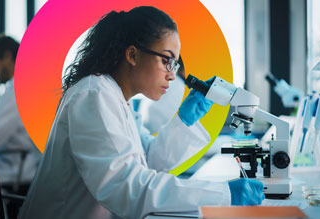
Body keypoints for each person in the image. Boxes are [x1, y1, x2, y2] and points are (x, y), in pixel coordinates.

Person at [18, 7, 264, 219]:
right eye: (167, 60)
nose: (172, 73)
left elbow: (148, 162)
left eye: (175, 64)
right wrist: (222, 193)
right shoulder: (93, 95)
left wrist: (185, 120)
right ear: (133, 55)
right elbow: (125, 187)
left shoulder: (119, 100)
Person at [0, 36, 40, 189]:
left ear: (7, 56)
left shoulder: (16, 91)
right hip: (25, 163)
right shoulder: (28, 83)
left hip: (16, 169)